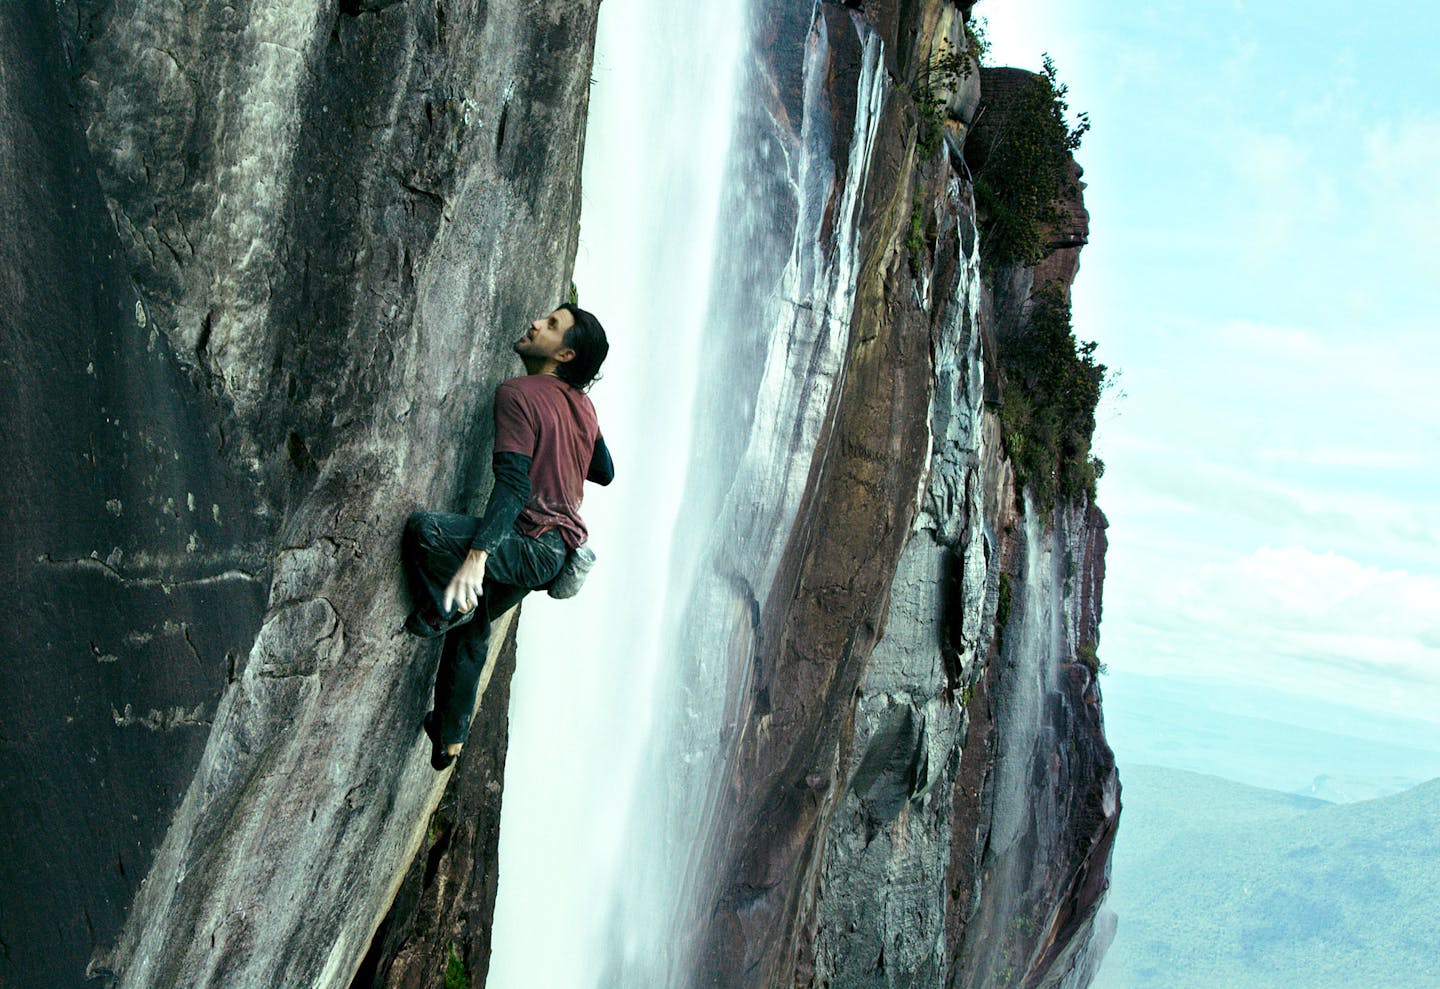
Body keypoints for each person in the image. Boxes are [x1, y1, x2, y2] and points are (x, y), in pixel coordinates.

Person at [401, 304, 612, 770]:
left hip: (528, 546)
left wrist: (478, 555)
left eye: (551, 326)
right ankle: (449, 740)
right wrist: (568, 445)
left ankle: (443, 609)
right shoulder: (585, 406)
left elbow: (514, 484)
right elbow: (606, 471)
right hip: (554, 554)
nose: (536, 323)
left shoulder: (517, 394)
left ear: (565, 354)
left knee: (426, 532)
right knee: (473, 627)